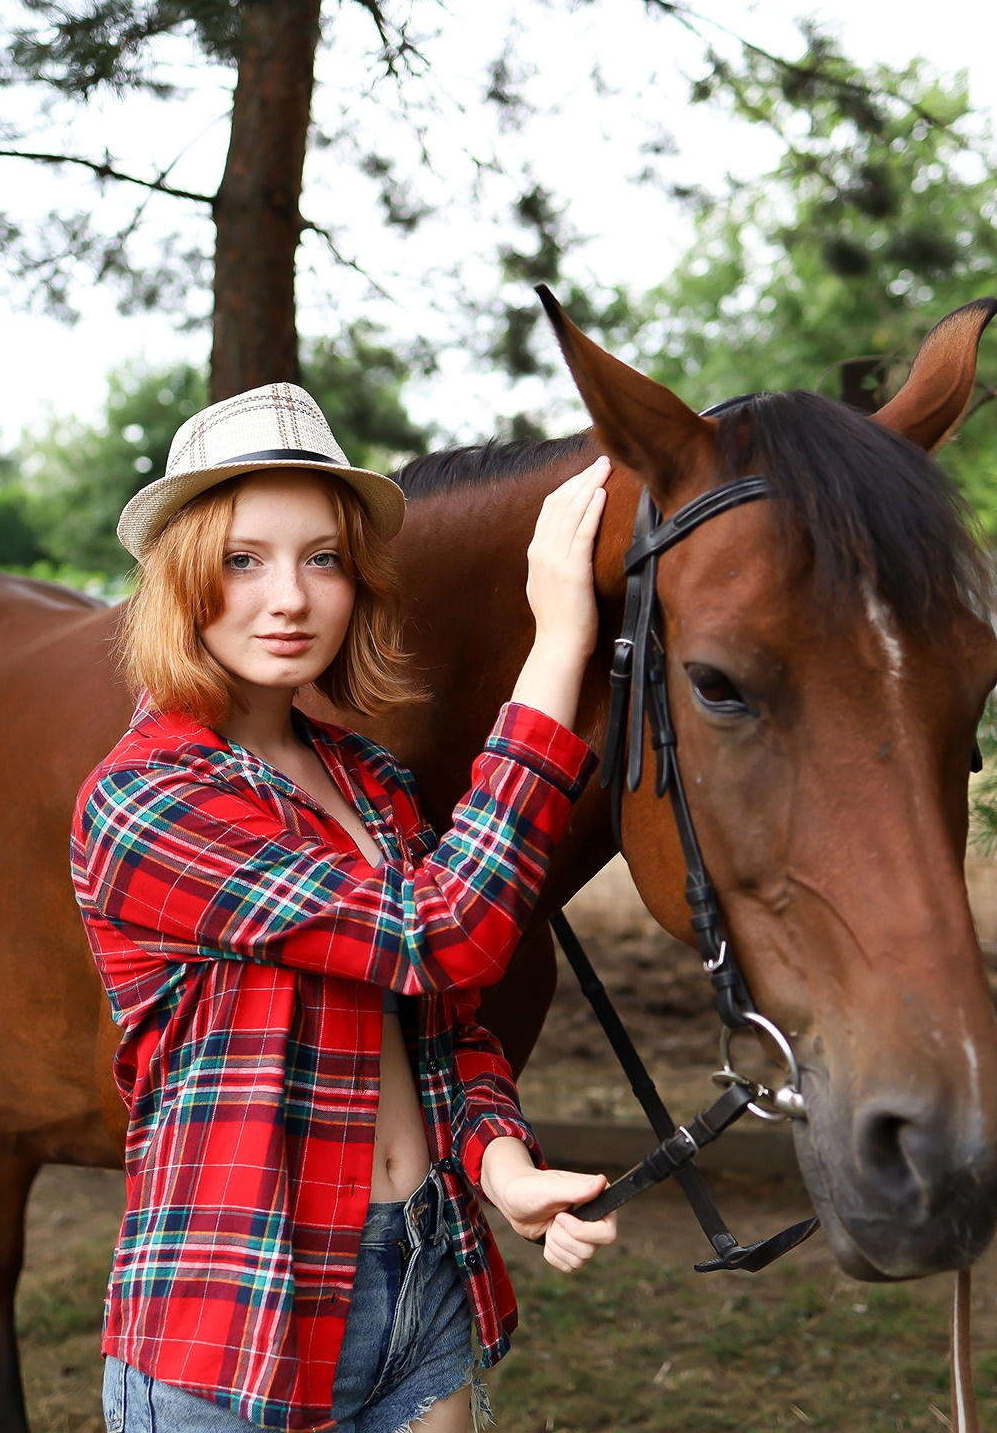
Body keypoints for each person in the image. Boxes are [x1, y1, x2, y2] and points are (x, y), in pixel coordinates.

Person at [71, 382, 619, 1433]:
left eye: (321, 557)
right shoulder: (148, 799)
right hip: (234, 1321)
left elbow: (444, 1024)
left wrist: (503, 1166)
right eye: (244, 558)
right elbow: (439, 933)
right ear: (182, 578)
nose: (290, 597)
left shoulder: (369, 782)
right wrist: (558, 644)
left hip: (422, 1277)